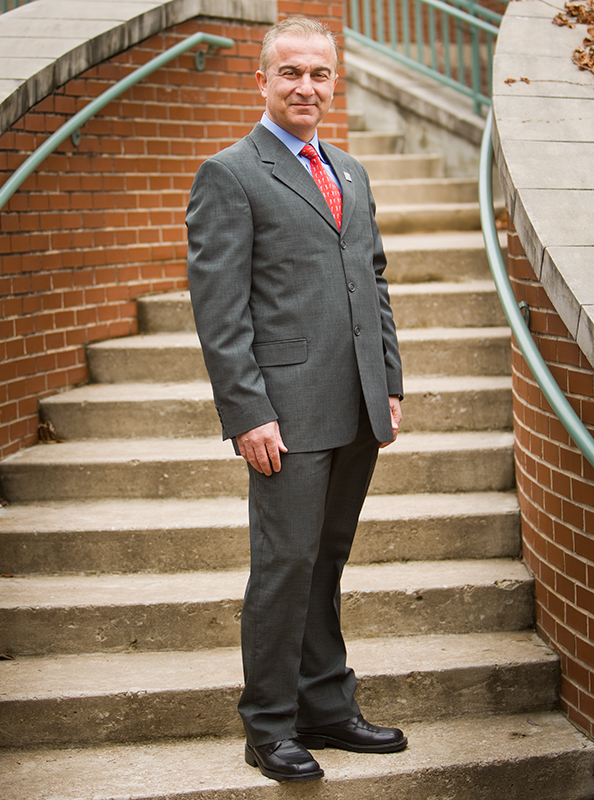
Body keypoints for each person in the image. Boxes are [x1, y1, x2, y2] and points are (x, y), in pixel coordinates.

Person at [186, 16, 406, 783]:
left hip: (355, 407)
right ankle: (270, 725)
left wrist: (390, 381)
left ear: (333, 80)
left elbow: (371, 280)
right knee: (284, 565)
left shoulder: (347, 170)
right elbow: (220, 312)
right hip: (284, 411)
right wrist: (247, 412)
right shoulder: (231, 173)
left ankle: (327, 706)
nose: (306, 86)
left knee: (327, 559)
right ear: (263, 81)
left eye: (319, 73)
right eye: (291, 73)